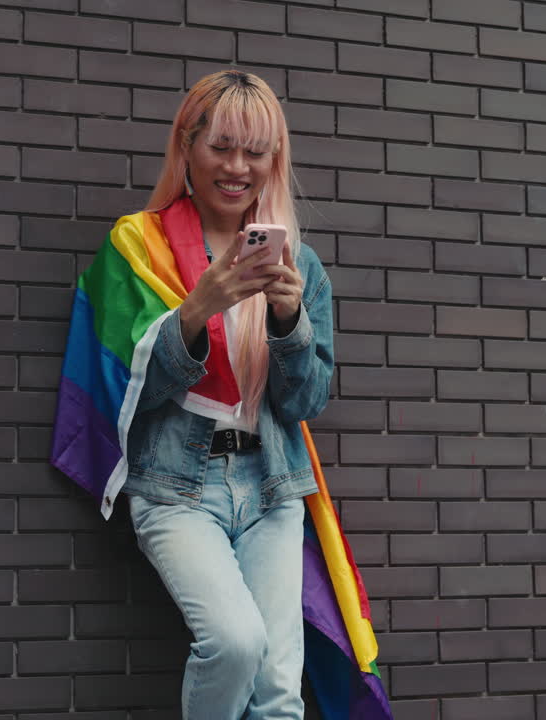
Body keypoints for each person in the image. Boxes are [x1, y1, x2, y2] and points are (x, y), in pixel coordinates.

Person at [112, 69, 334, 720]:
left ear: (274, 159)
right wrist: (195, 311)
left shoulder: (300, 267)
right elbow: (126, 391)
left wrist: (290, 323)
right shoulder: (140, 246)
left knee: (279, 696)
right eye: (222, 145)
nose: (237, 166)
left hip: (271, 484)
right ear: (187, 146)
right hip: (176, 486)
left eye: (255, 151)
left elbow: (306, 402)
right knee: (235, 644)